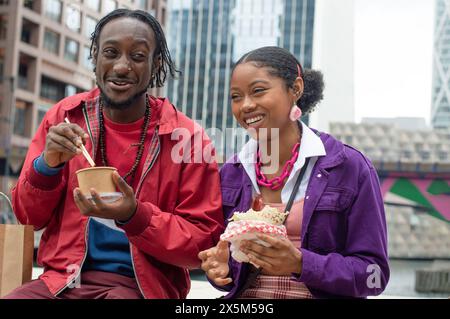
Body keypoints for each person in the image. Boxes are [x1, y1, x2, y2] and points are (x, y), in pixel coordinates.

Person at [5, 9, 223, 299]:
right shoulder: (66, 117)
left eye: (137, 56)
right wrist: (47, 166)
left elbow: (202, 245)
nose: (121, 66)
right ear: (95, 55)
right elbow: (27, 216)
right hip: (63, 280)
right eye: (110, 52)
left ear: (156, 63)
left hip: (140, 287)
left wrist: (134, 215)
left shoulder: (188, 138)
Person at [198, 46, 389, 299]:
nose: (245, 105)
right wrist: (220, 270)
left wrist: (300, 263)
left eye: (258, 91)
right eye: (236, 96)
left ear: (295, 89)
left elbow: (374, 276)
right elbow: (229, 276)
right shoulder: (232, 173)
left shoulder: (350, 167)